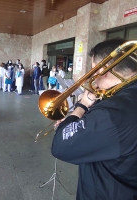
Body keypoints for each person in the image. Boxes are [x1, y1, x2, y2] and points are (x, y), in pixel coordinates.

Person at [51, 38, 137, 200]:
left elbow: (61, 147)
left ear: (103, 69)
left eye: (93, 68)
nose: (93, 74)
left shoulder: (113, 111)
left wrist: (82, 105)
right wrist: (78, 124)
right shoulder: (126, 95)